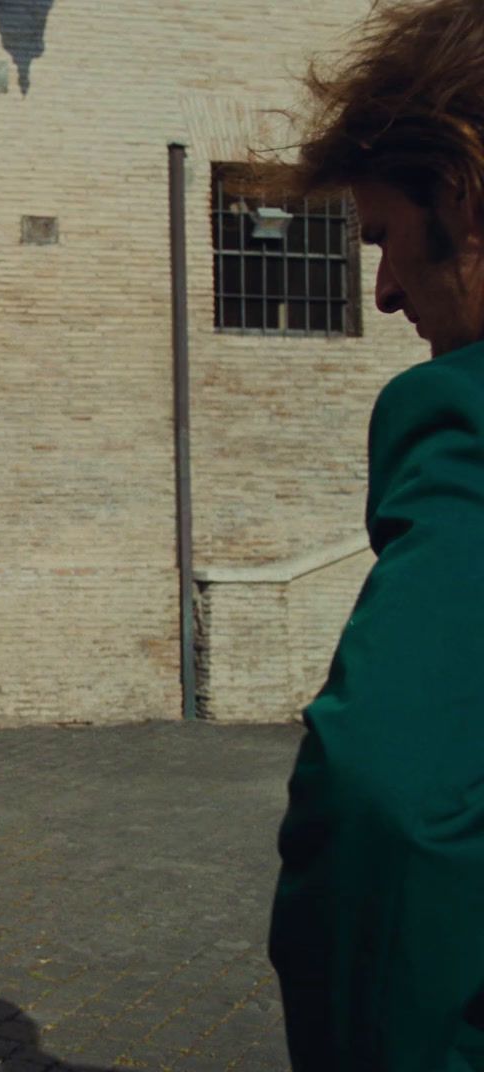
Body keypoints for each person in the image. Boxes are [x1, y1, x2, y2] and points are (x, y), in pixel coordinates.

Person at [268, 2, 484, 1068]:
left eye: (386, 237)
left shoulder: (464, 428)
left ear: (459, 193)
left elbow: (385, 809)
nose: (386, 288)